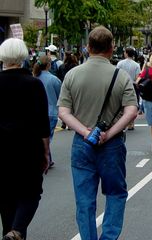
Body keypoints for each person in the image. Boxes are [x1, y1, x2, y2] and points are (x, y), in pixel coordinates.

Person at [58, 26, 138, 240]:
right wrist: (109, 133)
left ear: (87, 48)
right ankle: (109, 237)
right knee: (116, 193)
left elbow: (63, 112)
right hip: (111, 145)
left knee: (84, 201)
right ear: (112, 49)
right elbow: (131, 111)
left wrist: (85, 131)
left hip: (82, 143)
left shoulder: (72, 75)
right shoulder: (120, 76)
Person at [0, 38, 50, 240]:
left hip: (1, 149)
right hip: (28, 148)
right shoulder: (34, 85)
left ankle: (11, 232)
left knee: (6, 199)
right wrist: (46, 151)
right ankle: (17, 230)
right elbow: (42, 123)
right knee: (30, 193)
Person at [33, 55, 62, 168]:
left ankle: (48, 158)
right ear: (49, 65)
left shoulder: (34, 78)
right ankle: (46, 159)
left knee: (40, 137)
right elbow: (60, 96)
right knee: (47, 137)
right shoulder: (54, 80)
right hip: (51, 112)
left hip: (37, 112)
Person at [117, 47, 141, 130]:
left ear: (126, 53)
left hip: (121, 84)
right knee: (132, 104)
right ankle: (131, 123)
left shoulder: (120, 63)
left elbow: (117, 75)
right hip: (132, 85)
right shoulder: (136, 65)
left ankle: (123, 123)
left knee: (122, 104)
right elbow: (138, 77)